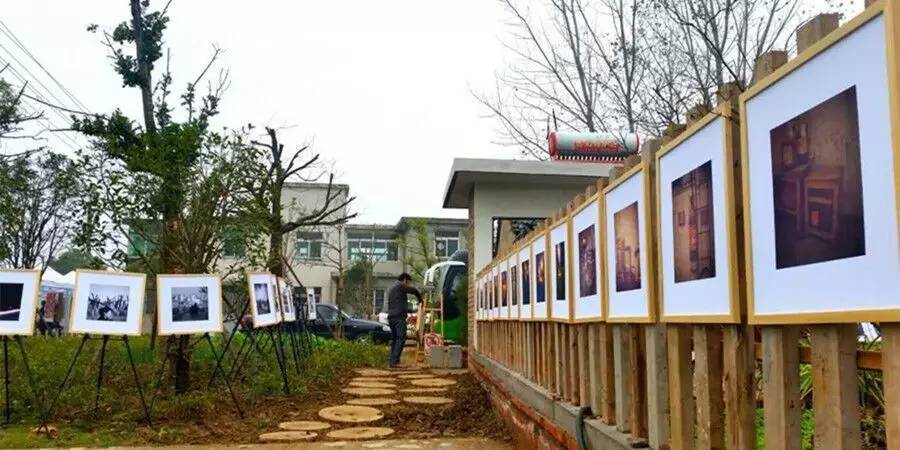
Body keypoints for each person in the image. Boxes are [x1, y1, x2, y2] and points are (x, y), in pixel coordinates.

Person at [386, 273, 422, 368]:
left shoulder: (392, 288)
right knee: (401, 338)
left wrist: (411, 310)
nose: (408, 285)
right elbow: (414, 290)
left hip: (391, 317)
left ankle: (394, 361)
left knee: (395, 339)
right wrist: (420, 299)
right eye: (408, 283)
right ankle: (394, 362)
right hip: (398, 318)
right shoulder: (400, 285)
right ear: (405, 280)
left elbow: (399, 304)